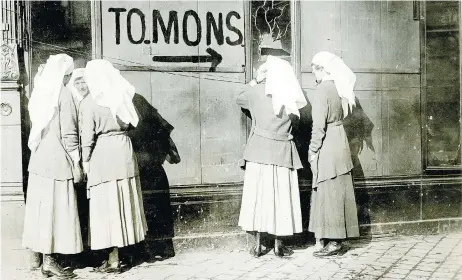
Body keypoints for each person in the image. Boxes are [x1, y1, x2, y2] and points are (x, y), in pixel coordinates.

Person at [79, 59, 147, 273]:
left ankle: (112, 259)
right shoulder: (122, 96)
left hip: (103, 154)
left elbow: (87, 138)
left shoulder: (90, 102)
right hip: (124, 150)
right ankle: (124, 254)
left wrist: (85, 161)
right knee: (124, 202)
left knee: (107, 206)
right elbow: (134, 123)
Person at [237, 55, 306, 257]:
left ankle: (257, 245)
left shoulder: (257, 92)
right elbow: (298, 122)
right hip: (283, 152)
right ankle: (279, 245)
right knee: (281, 199)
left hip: (259, 150)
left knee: (259, 197)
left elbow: (239, 97)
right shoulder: (291, 95)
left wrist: (256, 80)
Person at [22, 54, 83, 278]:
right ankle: (50, 261)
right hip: (58, 162)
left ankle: (40, 261)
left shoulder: (41, 93)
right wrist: (77, 162)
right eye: (68, 74)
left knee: (41, 212)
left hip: (39, 160)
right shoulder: (64, 95)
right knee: (55, 212)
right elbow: (69, 134)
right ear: (65, 74)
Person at [308, 51, 360, 257]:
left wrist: (313, 150)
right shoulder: (338, 87)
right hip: (340, 141)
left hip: (328, 143)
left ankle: (334, 242)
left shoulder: (322, 90)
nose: (313, 72)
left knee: (328, 192)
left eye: (314, 68)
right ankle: (332, 238)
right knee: (338, 191)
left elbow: (318, 126)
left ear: (323, 69)